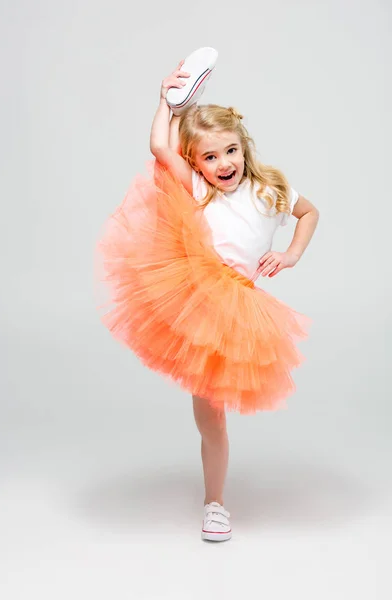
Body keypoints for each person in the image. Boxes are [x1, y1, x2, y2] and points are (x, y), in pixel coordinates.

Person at [96, 59, 319, 543]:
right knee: (210, 417)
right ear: (196, 164)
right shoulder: (198, 187)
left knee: (215, 410)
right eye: (211, 158)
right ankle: (215, 503)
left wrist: (292, 253)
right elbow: (159, 146)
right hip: (199, 297)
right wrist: (167, 103)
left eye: (231, 151)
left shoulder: (267, 191)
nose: (225, 165)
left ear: (245, 147)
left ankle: (214, 499)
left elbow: (309, 212)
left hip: (239, 308)